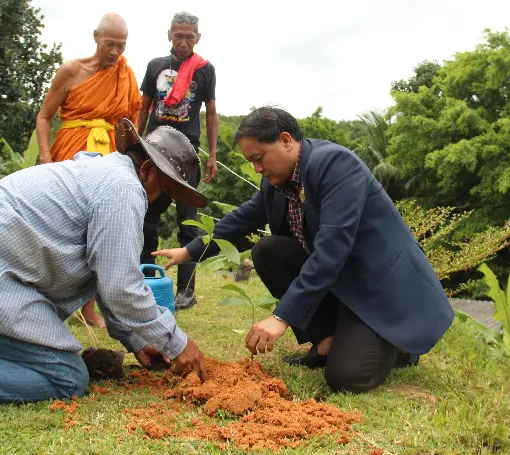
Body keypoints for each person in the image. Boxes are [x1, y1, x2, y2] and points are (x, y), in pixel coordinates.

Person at [0, 119, 208, 406]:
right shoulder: (123, 190)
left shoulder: (107, 175)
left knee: (18, 351)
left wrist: (137, 339)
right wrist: (177, 341)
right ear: (148, 171)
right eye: (167, 195)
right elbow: (120, 289)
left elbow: (106, 278)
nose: (164, 205)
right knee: (65, 376)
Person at [155, 106, 454, 394]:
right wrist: (189, 251)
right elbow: (240, 219)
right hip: (343, 284)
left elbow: (330, 252)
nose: (257, 168)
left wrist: (280, 317)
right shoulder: (278, 180)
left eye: (259, 158)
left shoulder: (336, 166)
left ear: (286, 140)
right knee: (268, 250)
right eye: (252, 162)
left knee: (346, 377)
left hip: (379, 288)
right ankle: (327, 338)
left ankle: (397, 346)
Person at [35, 13, 142, 327]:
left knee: (101, 228)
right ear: (96, 37)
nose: (114, 52)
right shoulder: (71, 70)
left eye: (120, 46)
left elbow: (131, 125)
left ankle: (90, 308)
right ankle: (48, 300)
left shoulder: (127, 75)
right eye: (110, 44)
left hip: (110, 150)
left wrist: (133, 163)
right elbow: (44, 117)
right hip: (70, 149)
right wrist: (45, 158)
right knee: (60, 224)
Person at [137, 11, 218, 310]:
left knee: (188, 221)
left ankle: (186, 291)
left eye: (190, 36)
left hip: (188, 152)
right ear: (169, 34)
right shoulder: (155, 66)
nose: (184, 42)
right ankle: (143, 284)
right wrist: (134, 145)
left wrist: (213, 155)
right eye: (179, 35)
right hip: (153, 150)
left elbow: (210, 113)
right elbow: (144, 107)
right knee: (147, 217)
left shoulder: (205, 70)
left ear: (198, 38)